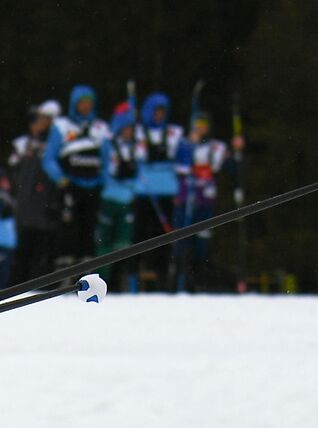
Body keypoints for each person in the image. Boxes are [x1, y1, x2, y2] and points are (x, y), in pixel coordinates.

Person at [172, 111, 242, 292]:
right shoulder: (184, 144)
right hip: (186, 202)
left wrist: (237, 150)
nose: (201, 128)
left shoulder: (216, 147)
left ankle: (197, 283)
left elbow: (232, 167)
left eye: (204, 124)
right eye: (198, 124)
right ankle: (178, 283)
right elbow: (177, 167)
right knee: (182, 242)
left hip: (205, 201)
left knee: (202, 244)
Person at [43, 85, 111, 263]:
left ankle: (87, 270)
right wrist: (60, 178)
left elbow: (107, 158)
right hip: (70, 186)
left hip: (93, 186)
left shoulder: (100, 127)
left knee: (89, 230)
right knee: (67, 230)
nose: (86, 106)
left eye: (89, 103)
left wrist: (103, 180)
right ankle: (64, 272)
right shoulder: (62, 126)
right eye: (82, 103)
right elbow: (49, 158)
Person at [133, 92, 184, 290]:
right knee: (139, 237)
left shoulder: (174, 133)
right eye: (156, 112)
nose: (159, 116)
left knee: (162, 238)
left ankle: (162, 281)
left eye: (162, 112)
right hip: (144, 191)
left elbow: (182, 161)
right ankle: (134, 278)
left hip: (165, 191)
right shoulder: (137, 132)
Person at [9, 102, 61, 281]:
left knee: (41, 251)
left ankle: (39, 284)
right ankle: (18, 285)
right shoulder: (23, 145)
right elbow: (14, 172)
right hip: (25, 207)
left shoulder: (53, 145)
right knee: (23, 251)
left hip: (44, 208)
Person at [96, 107, 141, 290]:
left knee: (124, 243)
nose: (129, 132)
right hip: (109, 199)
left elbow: (141, 174)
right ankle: (103, 279)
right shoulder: (109, 145)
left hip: (127, 200)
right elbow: (102, 170)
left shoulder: (136, 147)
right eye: (126, 128)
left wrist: (132, 184)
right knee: (104, 242)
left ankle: (123, 283)